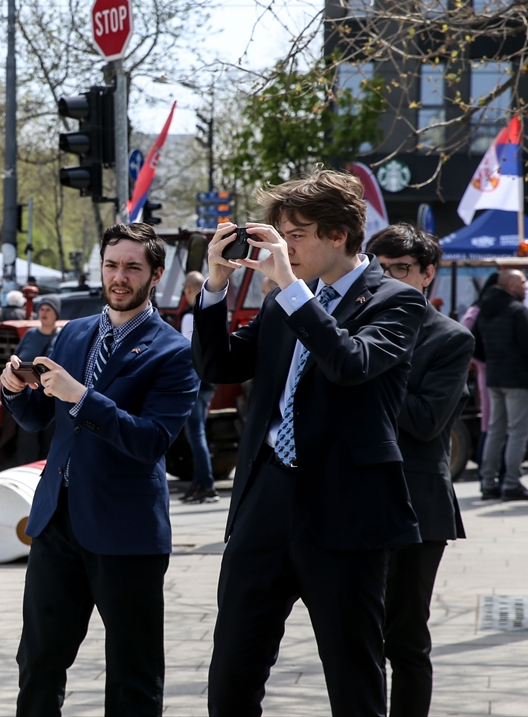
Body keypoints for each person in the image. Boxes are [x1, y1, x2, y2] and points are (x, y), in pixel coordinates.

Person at [191, 169, 423, 717]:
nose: (282, 247)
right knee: (231, 675)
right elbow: (217, 364)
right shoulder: (282, 303)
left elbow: (349, 364)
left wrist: (292, 292)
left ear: (338, 234)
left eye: (295, 235)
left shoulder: (395, 301)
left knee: (354, 679)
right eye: (278, 234)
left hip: (346, 511)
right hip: (265, 500)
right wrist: (216, 285)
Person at [0, 223, 197, 716]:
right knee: (38, 663)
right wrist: (14, 391)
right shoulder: (75, 333)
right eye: (112, 265)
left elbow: (151, 441)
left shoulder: (172, 351)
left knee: (133, 676)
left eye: (133, 267)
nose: (120, 277)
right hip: (56, 520)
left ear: (155, 274)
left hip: (125, 531)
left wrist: (84, 398)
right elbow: (43, 418)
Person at [368, 224, 473, 717]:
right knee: (356, 637)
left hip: (416, 507)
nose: (386, 278)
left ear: (429, 274)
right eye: (378, 268)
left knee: (404, 637)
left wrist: (376, 366)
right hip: (353, 497)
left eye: (400, 270)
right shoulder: (353, 325)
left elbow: (429, 423)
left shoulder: (450, 339)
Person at [473, 269, 528, 501]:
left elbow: (474, 343)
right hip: (517, 378)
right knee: (518, 431)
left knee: (495, 430)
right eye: (523, 282)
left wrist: (494, 359)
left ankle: (488, 483)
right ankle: (511, 483)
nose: (526, 286)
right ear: (511, 286)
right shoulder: (517, 311)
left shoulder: (484, 309)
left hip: (495, 377)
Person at [178, 272, 218, 503]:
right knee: (198, 432)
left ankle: (205, 484)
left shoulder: (188, 315)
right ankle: (199, 483)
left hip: (193, 381)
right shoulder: (210, 312)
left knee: (195, 434)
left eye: (185, 289)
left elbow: (186, 350)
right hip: (209, 380)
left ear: (191, 290)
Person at [13, 295, 63, 465]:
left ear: (56, 313)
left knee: (48, 445)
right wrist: (0, 389)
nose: (44, 312)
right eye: (41, 309)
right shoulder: (30, 334)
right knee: (26, 443)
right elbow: (15, 361)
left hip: (51, 398)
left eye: (48, 309)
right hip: (28, 396)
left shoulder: (62, 337)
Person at [461, 272, 501, 472]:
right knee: (492, 421)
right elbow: (465, 339)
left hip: (488, 371)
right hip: (486, 372)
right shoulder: (479, 311)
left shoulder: (481, 309)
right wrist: (479, 363)